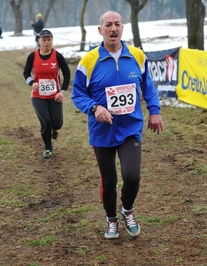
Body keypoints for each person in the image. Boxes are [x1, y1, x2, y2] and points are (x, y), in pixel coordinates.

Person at [71, 11, 164, 239]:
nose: (113, 29)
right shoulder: (89, 61)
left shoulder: (137, 56)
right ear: (100, 30)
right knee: (109, 180)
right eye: (108, 25)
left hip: (130, 128)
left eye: (117, 24)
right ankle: (111, 218)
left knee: (132, 176)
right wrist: (95, 108)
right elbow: (77, 94)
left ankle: (128, 210)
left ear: (123, 28)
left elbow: (148, 86)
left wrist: (154, 110)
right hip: (102, 132)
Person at [23, 29, 71, 159]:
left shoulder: (58, 56)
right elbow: (25, 73)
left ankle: (54, 129)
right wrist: (32, 82)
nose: (46, 42)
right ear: (39, 41)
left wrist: (62, 91)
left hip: (55, 96)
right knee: (45, 122)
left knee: (57, 124)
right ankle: (48, 148)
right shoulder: (32, 56)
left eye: (49, 40)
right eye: (44, 40)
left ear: (52, 41)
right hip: (38, 96)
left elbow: (67, 74)